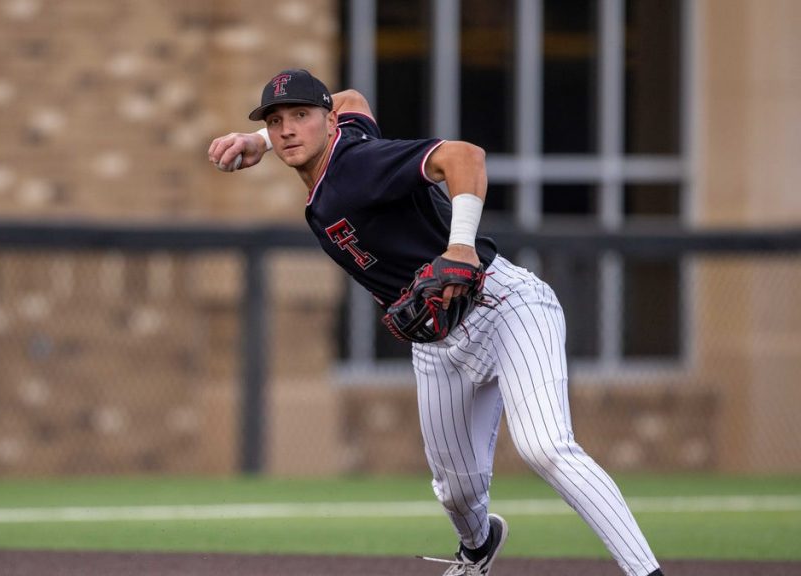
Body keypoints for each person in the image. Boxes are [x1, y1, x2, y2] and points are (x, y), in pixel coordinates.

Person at [208, 69, 664, 576]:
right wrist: (259, 139)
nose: (288, 129)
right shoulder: (346, 140)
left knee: (545, 447)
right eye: (276, 120)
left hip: (503, 306)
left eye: (301, 116)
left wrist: (461, 245)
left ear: (328, 121)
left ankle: (646, 571)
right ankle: (477, 549)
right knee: (457, 490)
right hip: (436, 338)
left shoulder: (356, 164)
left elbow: (465, 156)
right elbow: (355, 97)